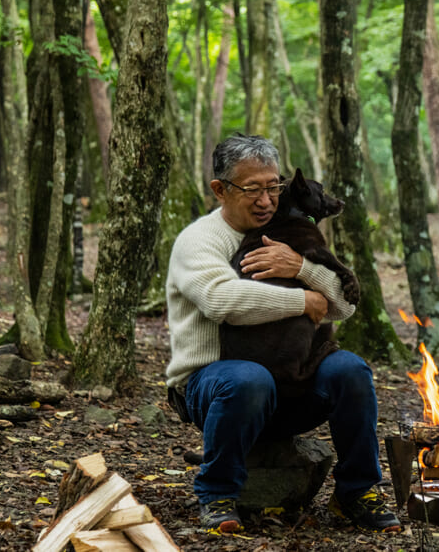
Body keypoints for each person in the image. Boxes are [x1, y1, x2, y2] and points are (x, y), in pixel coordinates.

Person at [165, 134, 400, 534]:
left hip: (292, 380)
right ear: (220, 190)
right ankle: (217, 493)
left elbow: (343, 306)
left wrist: (302, 270)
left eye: (273, 186)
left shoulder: (290, 231)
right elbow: (222, 301)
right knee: (247, 379)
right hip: (214, 385)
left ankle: (356, 492)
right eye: (252, 188)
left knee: (351, 371)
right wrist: (303, 302)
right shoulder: (200, 240)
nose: (266, 200)